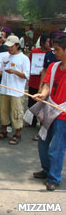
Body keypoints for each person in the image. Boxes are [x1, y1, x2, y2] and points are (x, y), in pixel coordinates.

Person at [32, 35, 66, 191]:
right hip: (49, 109)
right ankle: (46, 170)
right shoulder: (53, 67)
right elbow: (46, 85)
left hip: (63, 115)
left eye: (58, 50)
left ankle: (54, 177)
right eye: (54, 49)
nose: (54, 52)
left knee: (56, 147)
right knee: (42, 142)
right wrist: (43, 94)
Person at [0, 36, 30, 145]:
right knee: (3, 111)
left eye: (11, 46)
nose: (9, 49)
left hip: (16, 91)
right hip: (4, 89)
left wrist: (14, 71)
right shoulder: (5, 57)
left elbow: (26, 76)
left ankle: (17, 133)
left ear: (17, 45)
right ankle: (3, 131)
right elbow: (1, 71)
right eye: (8, 47)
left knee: (16, 112)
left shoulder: (24, 58)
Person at [27, 33, 51, 128]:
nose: (49, 43)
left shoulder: (51, 53)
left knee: (43, 104)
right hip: (34, 80)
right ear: (42, 42)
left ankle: (42, 123)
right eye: (48, 41)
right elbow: (30, 63)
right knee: (31, 102)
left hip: (45, 83)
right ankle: (31, 121)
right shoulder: (35, 51)